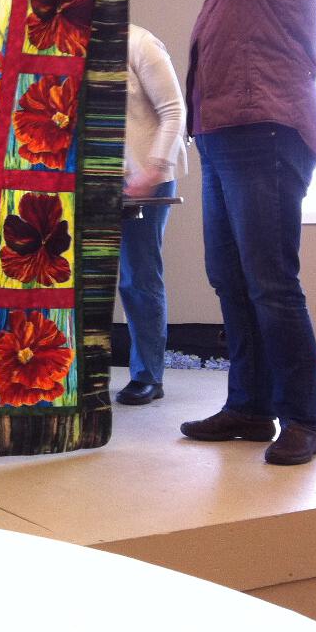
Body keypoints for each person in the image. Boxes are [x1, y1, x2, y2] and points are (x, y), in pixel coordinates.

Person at [112, 0, 316, 465]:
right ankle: (249, 407)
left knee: (270, 281)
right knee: (229, 276)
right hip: (227, 140)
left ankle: (302, 419)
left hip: (268, 134)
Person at [115, 24, 187, 406]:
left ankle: (147, 376)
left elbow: (174, 112)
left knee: (138, 277)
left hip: (145, 178)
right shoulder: (67, 50)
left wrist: (154, 170)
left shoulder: (140, 44)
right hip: (91, 180)